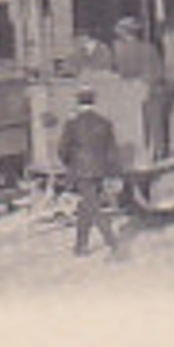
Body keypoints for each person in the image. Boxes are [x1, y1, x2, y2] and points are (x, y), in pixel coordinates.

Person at [56, 86, 122, 258]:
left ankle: (114, 244)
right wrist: (111, 172)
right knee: (86, 207)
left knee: (93, 208)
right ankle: (80, 246)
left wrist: (70, 165)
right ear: (94, 101)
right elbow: (112, 150)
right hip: (100, 170)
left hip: (82, 171)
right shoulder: (104, 122)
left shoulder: (72, 124)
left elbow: (62, 150)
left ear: (78, 102)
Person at [113, 15, 174, 160]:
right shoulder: (149, 49)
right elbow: (159, 72)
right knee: (155, 121)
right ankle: (158, 152)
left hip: (130, 93)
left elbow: (121, 73)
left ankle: (142, 152)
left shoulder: (120, 52)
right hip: (151, 90)